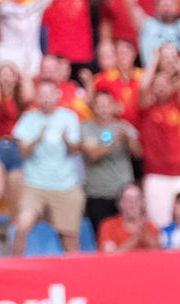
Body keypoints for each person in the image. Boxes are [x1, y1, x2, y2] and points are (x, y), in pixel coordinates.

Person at [9, 80, 86, 255]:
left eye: (49, 94)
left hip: (65, 184)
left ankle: (76, 277)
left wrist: (67, 139)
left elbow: (74, 150)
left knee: (69, 238)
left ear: (57, 95)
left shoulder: (69, 117)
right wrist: (37, 137)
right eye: (41, 94)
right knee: (22, 226)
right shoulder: (28, 118)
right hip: (35, 184)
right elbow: (23, 152)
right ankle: (15, 272)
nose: (45, 99)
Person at [79, 90, 142, 233]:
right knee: (102, 234)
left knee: (127, 232)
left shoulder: (124, 126)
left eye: (107, 104)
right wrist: (114, 143)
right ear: (93, 107)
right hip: (97, 193)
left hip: (123, 193)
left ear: (114, 106)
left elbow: (138, 153)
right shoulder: (85, 128)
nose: (103, 108)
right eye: (99, 105)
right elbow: (92, 154)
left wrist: (130, 140)